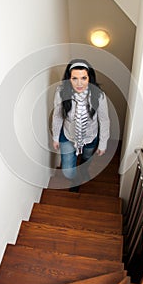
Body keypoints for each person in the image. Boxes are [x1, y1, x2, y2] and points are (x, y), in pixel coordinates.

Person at [52, 58, 110, 190]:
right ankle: (75, 179)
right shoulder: (61, 92)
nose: (79, 83)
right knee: (67, 171)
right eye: (74, 78)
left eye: (83, 78)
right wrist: (56, 136)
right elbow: (57, 115)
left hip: (90, 137)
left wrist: (103, 143)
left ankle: (83, 172)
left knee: (86, 159)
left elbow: (104, 120)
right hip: (67, 135)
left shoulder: (99, 95)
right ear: (69, 79)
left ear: (89, 78)